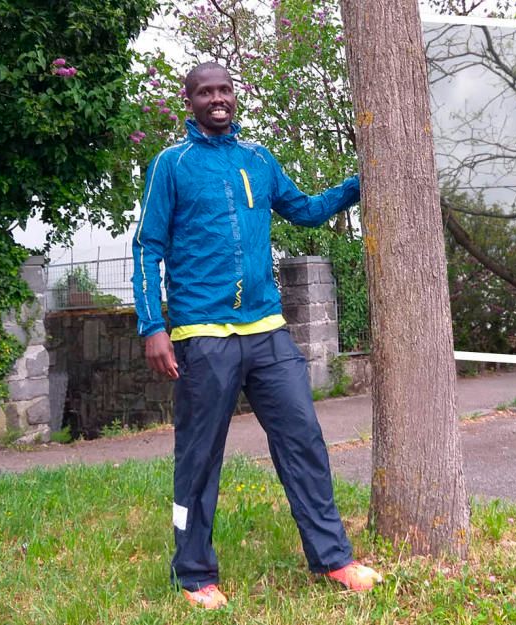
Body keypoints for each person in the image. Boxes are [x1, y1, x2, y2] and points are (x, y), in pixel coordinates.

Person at [130, 61, 381, 610]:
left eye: (224, 90)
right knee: (199, 458)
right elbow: (147, 247)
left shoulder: (259, 159)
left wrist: (362, 184)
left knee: (304, 441)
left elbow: (306, 211)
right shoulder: (171, 164)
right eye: (206, 92)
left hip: (268, 331)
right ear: (189, 101)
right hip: (201, 335)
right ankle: (193, 573)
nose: (217, 99)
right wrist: (153, 326)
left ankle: (333, 558)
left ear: (234, 96)